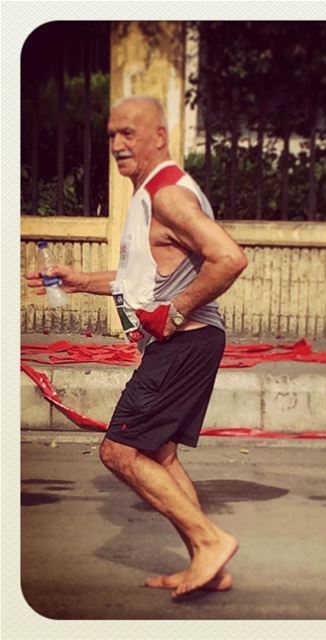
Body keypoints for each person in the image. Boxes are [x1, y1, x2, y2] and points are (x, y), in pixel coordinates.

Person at [26, 96, 248, 598]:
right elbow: (143, 281)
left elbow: (229, 258)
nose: (118, 143)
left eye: (129, 132)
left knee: (120, 452)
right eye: (111, 135)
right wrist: (81, 281)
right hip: (189, 343)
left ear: (160, 137)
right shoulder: (151, 194)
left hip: (184, 342)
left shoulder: (169, 195)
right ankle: (208, 562)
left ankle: (210, 541)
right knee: (160, 455)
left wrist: (175, 311)